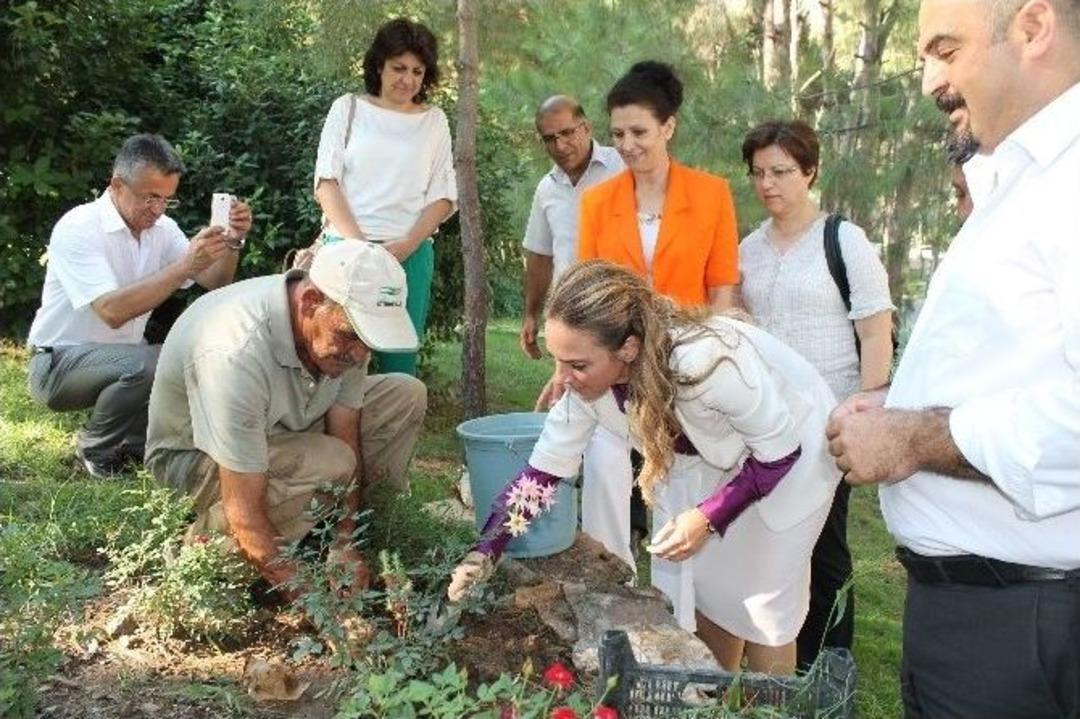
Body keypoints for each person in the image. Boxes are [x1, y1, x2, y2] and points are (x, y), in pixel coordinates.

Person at [826, 0, 1080, 715]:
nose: (931, 81)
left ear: (1032, 29)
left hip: (1022, 628)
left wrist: (915, 437)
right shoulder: (1023, 178)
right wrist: (902, 409)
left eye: (947, 48)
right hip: (988, 616)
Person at [449, 260, 841, 675]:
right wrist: (485, 551)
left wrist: (708, 517)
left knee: (764, 606)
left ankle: (773, 704)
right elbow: (539, 479)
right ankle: (716, 700)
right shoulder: (587, 389)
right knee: (716, 591)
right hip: (724, 454)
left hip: (795, 445)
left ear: (628, 349)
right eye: (557, 360)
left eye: (577, 364)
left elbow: (779, 453)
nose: (562, 380)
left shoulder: (705, 365)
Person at [145, 241, 427, 598]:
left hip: (280, 428)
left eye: (368, 340)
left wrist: (346, 541)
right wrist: (317, 608)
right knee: (332, 462)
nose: (359, 354)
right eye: (352, 336)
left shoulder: (343, 332)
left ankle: (333, 536)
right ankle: (204, 554)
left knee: (404, 395)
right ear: (310, 303)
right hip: (195, 459)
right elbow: (244, 512)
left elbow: (346, 433)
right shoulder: (233, 351)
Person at [738, 119, 894, 668]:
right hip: (766, 427)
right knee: (773, 545)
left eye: (781, 171)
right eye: (758, 173)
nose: (768, 184)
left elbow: (875, 332)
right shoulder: (748, 250)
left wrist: (867, 411)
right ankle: (777, 660)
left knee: (824, 551)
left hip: (830, 425)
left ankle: (828, 668)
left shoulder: (843, 240)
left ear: (810, 171)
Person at [26, 133, 250, 477]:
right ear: (117, 184)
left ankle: (129, 444)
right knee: (153, 361)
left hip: (124, 361)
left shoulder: (163, 229)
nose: (158, 209)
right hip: (57, 363)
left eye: (166, 199)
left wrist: (233, 241)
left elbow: (215, 282)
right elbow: (112, 311)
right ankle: (94, 449)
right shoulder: (79, 226)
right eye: (150, 197)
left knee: (186, 362)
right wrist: (184, 267)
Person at [313, 17, 457, 377]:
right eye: (398, 68)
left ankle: (393, 435)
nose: (407, 80)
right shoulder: (346, 108)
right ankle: (331, 436)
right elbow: (326, 183)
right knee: (335, 360)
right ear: (379, 65)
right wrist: (361, 248)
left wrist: (408, 244)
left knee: (400, 367)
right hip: (346, 252)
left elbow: (443, 196)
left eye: (417, 71)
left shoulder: (435, 120)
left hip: (409, 256)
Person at [578, 61, 739, 310]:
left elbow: (721, 293)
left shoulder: (712, 194)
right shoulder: (595, 202)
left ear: (668, 127)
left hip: (694, 343)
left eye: (639, 132)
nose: (627, 145)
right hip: (618, 346)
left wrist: (706, 347)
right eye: (618, 134)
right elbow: (588, 293)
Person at [519, 95, 624, 360]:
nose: (560, 145)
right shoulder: (547, 188)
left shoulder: (623, 168)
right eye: (549, 138)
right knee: (573, 394)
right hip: (569, 315)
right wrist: (531, 314)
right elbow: (540, 256)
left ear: (586, 127)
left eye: (567, 132)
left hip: (621, 310)